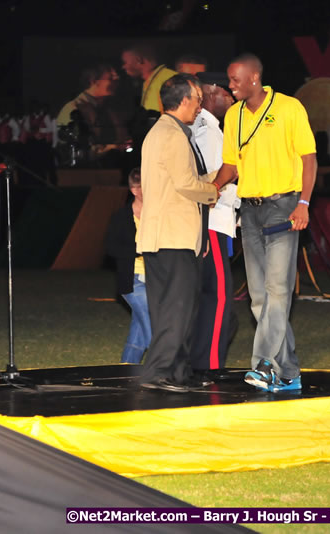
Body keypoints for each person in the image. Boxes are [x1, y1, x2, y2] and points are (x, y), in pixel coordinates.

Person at [212, 53, 317, 392]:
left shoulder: (289, 108)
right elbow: (231, 165)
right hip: (251, 210)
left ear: (254, 77)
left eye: (235, 80)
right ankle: (289, 372)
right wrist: (210, 188)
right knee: (259, 297)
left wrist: (303, 203)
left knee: (278, 290)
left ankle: (263, 366)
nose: (230, 86)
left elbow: (309, 159)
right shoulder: (232, 115)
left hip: (283, 206)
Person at [137, 74, 219, 392]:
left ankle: (177, 373)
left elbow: (184, 179)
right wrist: (215, 187)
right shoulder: (171, 134)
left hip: (170, 237)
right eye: (198, 99)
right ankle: (157, 372)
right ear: (184, 100)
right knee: (176, 309)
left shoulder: (168, 132)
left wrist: (222, 175)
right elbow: (187, 185)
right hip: (172, 238)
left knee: (180, 309)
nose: (201, 106)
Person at [189, 72, 239, 374]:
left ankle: (200, 362)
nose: (232, 99)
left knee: (210, 296)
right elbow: (207, 182)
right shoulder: (207, 130)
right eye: (226, 93)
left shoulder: (209, 128)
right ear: (210, 92)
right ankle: (209, 366)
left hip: (215, 221)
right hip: (213, 221)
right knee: (218, 297)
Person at [104, 168, 150, 364]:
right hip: (133, 280)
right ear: (135, 190)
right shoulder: (121, 217)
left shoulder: (156, 215)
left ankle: (127, 369)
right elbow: (110, 247)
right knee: (154, 329)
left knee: (139, 329)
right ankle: (168, 370)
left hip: (156, 279)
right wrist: (138, 250)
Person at [121, 44, 178, 113]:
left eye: (125, 62)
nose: (123, 67)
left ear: (139, 60)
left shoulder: (169, 78)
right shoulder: (149, 81)